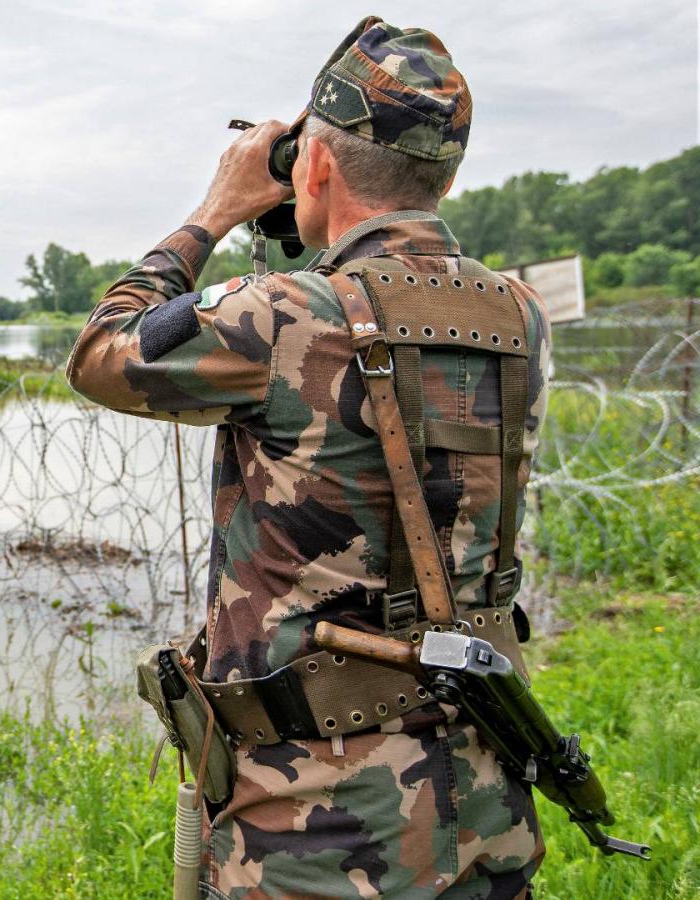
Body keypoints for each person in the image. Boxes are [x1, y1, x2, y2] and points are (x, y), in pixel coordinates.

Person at [66, 16, 550, 899]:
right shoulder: (519, 314)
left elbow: (102, 352)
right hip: (482, 793)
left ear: (315, 166)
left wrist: (214, 212)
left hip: (321, 830)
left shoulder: (284, 313)